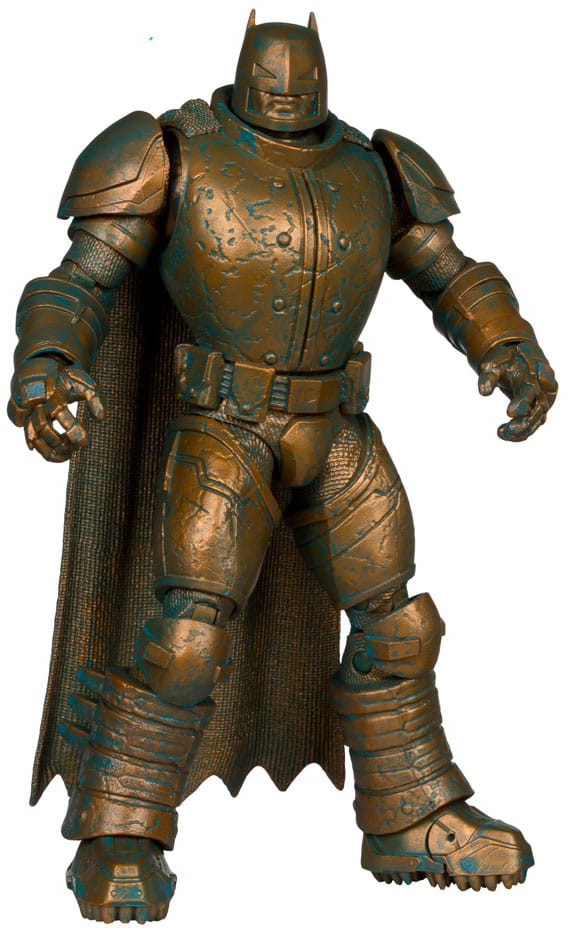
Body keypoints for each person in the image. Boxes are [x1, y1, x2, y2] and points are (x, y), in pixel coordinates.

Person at [7, 11, 557, 923]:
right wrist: (47, 363)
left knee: (400, 623)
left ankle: (410, 815)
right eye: (272, 70)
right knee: (187, 638)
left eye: (303, 71)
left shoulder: (375, 167)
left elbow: (449, 271)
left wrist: (506, 344)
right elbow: (79, 279)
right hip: (225, 429)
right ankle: (119, 827)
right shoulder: (170, 152)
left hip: (336, 427)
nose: (287, 84)